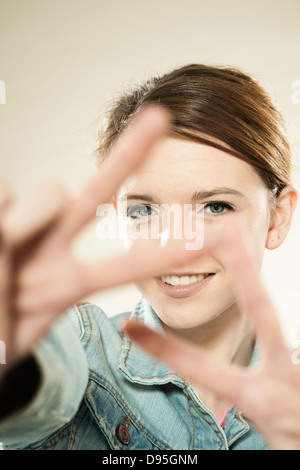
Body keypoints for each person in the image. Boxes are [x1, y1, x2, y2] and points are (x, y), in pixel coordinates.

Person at [0, 64, 299, 450]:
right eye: (143, 211)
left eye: (215, 206)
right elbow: (29, 403)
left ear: (279, 216)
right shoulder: (79, 349)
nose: (173, 243)